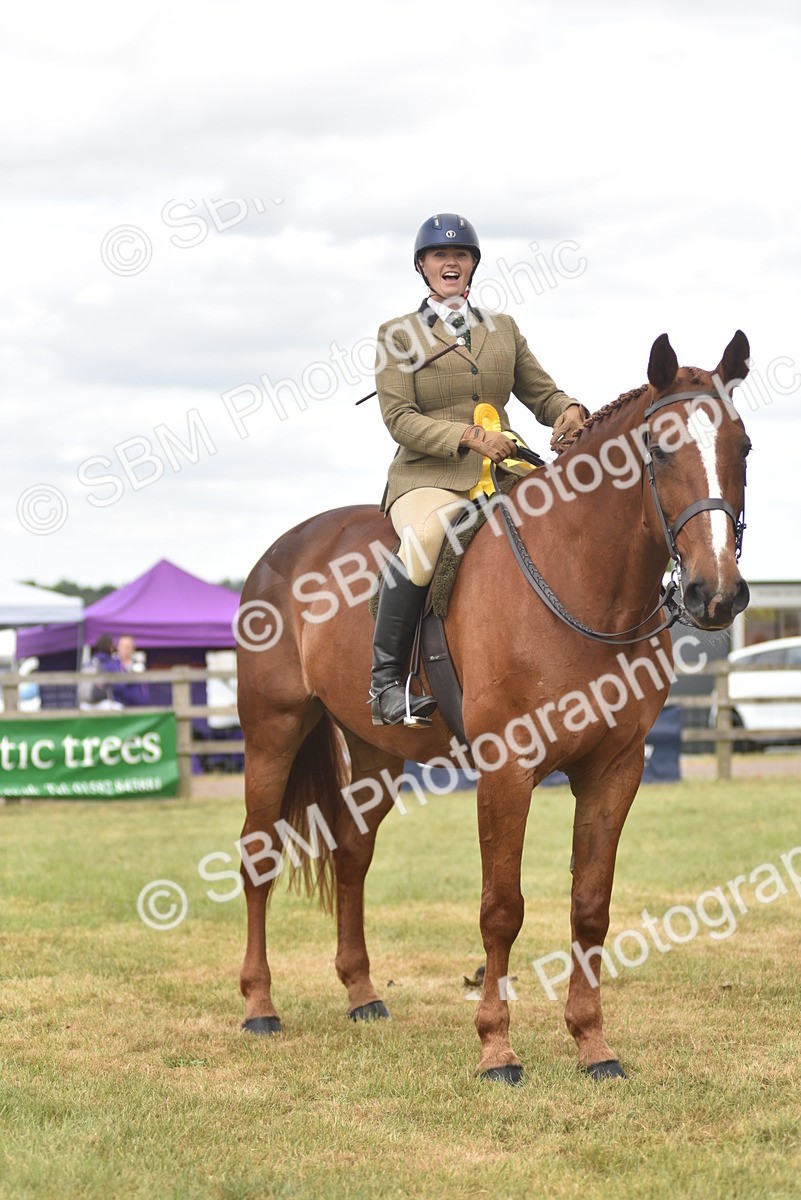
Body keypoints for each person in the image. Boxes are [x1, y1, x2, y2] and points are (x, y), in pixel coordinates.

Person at [369, 212, 587, 728]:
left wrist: (569, 410)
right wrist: (466, 436)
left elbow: (541, 392)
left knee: (575, 518)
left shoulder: (502, 329)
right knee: (425, 542)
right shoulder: (397, 335)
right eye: (440, 255)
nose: (451, 263)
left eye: (460, 255)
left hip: (506, 466)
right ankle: (385, 685)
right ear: (422, 266)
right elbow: (399, 418)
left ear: (472, 265)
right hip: (428, 474)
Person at [110, 634, 150, 706]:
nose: (124, 650)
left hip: (135, 705)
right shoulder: (112, 665)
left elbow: (144, 691)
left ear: (132, 649)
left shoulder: (139, 666)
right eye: (122, 646)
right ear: (118, 647)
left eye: (127, 647)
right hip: (117, 705)